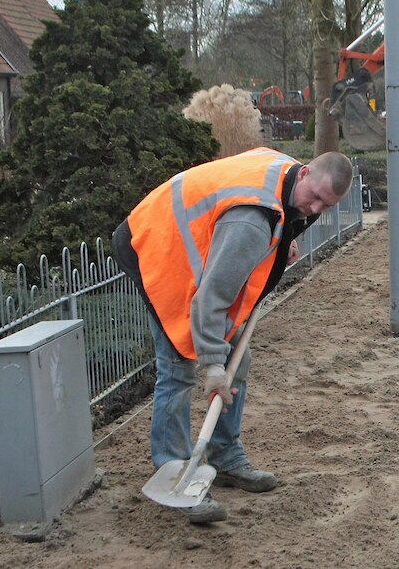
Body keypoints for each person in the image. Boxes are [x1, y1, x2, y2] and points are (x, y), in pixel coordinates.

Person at [112, 148, 354, 524]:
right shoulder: (251, 223)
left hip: (200, 245)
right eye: (316, 198)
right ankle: (176, 473)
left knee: (238, 358)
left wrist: (285, 237)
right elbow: (209, 299)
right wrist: (210, 365)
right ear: (305, 173)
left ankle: (226, 457)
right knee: (178, 367)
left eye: (328, 205)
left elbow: (277, 220)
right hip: (157, 247)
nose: (316, 210)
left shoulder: (289, 183)